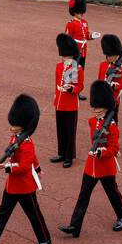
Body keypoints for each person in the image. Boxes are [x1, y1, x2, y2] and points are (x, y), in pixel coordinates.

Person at [0, 96, 52, 244]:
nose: (12, 127)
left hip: (24, 186)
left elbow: (25, 165)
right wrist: (38, 168)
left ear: (23, 125)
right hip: (13, 185)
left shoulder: (27, 142)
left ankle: (45, 240)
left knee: (34, 215)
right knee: (3, 213)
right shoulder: (17, 138)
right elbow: (32, 159)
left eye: (15, 124)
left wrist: (7, 166)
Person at [60, 80, 122, 237]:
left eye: (99, 108)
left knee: (112, 193)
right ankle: (74, 227)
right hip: (91, 167)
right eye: (95, 107)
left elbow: (114, 148)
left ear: (106, 107)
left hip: (105, 167)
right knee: (83, 195)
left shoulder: (111, 126)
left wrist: (102, 153)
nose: (96, 110)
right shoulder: (92, 122)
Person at [50, 32, 84, 166]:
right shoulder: (59, 67)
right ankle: (61, 153)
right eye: (63, 56)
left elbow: (79, 86)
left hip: (70, 105)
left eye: (66, 56)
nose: (64, 58)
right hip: (59, 103)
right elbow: (57, 83)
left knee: (70, 131)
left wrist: (71, 89)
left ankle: (69, 156)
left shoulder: (75, 68)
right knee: (61, 129)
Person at [97, 33, 122, 128]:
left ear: (116, 55)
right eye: (107, 55)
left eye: (111, 55)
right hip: (103, 99)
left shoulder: (121, 68)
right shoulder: (103, 65)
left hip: (114, 98)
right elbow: (99, 80)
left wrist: (115, 85)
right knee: (103, 121)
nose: (108, 57)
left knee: (113, 121)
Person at [65, 0, 99, 64]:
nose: (82, 13)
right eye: (79, 12)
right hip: (74, 53)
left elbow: (86, 35)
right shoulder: (71, 24)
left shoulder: (84, 22)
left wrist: (92, 36)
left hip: (83, 52)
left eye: (82, 12)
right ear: (74, 11)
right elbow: (67, 40)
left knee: (81, 70)